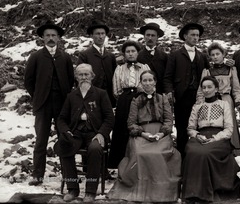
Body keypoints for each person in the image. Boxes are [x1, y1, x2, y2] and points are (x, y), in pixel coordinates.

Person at [107, 70, 181, 202]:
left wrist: (162, 133)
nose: (147, 83)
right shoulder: (136, 100)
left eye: (150, 80)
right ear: (140, 83)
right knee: (140, 153)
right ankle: (139, 191)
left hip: (160, 132)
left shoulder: (163, 98)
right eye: (144, 81)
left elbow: (169, 120)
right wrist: (143, 133)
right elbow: (131, 123)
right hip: (141, 133)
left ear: (155, 82)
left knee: (158, 153)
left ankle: (161, 192)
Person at [54, 64, 115, 202]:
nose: (84, 77)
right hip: (76, 133)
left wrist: (101, 134)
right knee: (64, 147)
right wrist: (66, 131)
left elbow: (109, 118)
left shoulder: (101, 94)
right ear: (76, 77)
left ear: (92, 76)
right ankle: (72, 188)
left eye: (86, 74)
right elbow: (61, 118)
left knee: (95, 149)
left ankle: (90, 191)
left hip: (94, 133)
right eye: (80, 75)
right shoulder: (71, 96)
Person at [24, 21, 74, 186]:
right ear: (42, 38)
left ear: (59, 38)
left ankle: (68, 177)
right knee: (41, 141)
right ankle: (37, 175)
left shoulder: (65, 57)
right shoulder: (36, 57)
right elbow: (28, 81)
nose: (51, 38)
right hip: (43, 106)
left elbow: (70, 79)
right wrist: (38, 96)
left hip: (62, 106)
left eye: (54, 35)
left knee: (65, 140)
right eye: (47, 36)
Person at [182, 76, 240, 202]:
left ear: (216, 89)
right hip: (200, 136)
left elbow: (229, 129)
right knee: (192, 152)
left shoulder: (224, 105)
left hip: (220, 137)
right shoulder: (197, 106)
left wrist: (215, 138)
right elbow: (190, 128)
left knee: (205, 153)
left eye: (210, 87)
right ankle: (192, 193)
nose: (206, 90)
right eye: (204, 87)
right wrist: (197, 135)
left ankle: (205, 194)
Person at [163, 22, 210, 156]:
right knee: (182, 127)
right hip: (181, 96)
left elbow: (209, 75)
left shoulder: (202, 56)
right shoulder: (175, 55)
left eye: (197, 35)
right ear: (185, 36)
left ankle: (197, 156)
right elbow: (168, 77)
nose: (195, 38)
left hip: (199, 97)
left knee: (199, 126)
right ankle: (182, 157)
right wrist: (169, 92)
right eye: (192, 35)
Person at [196, 42, 240, 156]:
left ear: (223, 54)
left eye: (217, 54)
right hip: (211, 101)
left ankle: (230, 153)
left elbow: (236, 88)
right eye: (212, 55)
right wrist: (199, 102)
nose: (215, 57)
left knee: (228, 125)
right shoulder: (207, 71)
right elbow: (201, 89)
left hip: (227, 100)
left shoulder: (231, 69)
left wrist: (239, 102)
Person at [108, 40, 150, 168]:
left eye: (133, 51)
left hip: (141, 99)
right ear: (124, 54)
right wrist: (125, 98)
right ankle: (120, 163)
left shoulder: (144, 67)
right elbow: (116, 90)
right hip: (124, 100)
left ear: (138, 53)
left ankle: (139, 163)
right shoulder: (119, 68)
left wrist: (141, 91)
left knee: (139, 127)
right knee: (122, 129)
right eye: (128, 52)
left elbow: (150, 83)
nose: (131, 54)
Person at [77, 19, 117, 107]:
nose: (100, 36)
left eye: (103, 34)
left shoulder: (110, 56)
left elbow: (115, 76)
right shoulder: (85, 55)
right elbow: (80, 77)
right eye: (97, 34)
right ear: (92, 35)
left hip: (109, 97)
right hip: (92, 96)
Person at [137, 22, 168, 94]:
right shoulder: (138, 56)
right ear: (144, 36)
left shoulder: (164, 56)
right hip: (143, 93)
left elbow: (167, 77)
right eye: (148, 35)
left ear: (157, 37)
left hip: (160, 93)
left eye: (153, 35)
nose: (150, 38)